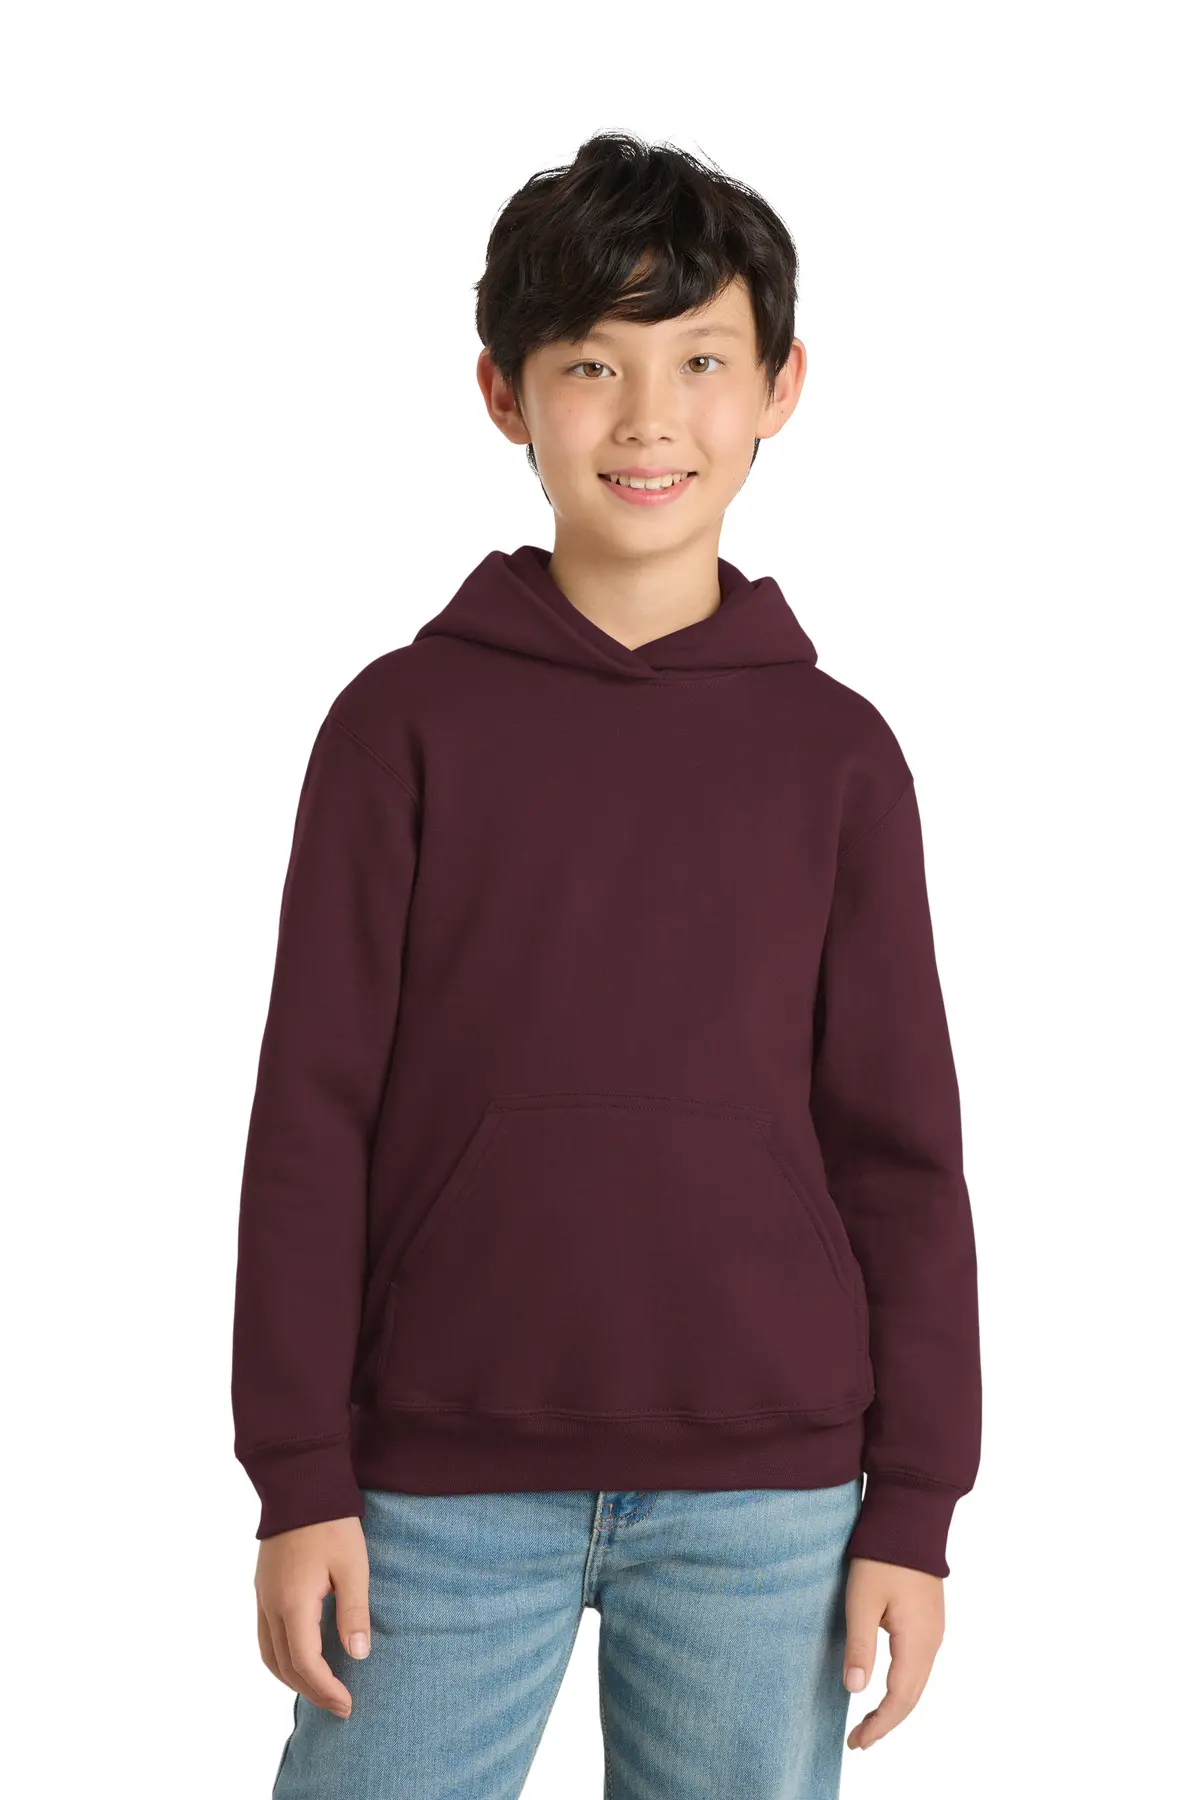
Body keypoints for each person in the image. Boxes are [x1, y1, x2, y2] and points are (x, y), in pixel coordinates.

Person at [232, 129, 982, 1799]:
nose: (649, 418)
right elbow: (310, 1123)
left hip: (769, 1501)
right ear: (505, 395)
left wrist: (918, 1506)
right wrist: (297, 1476)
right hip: (430, 1489)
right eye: (591, 364)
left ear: (782, 387)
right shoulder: (399, 729)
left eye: (701, 360)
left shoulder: (839, 758)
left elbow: (901, 1154)